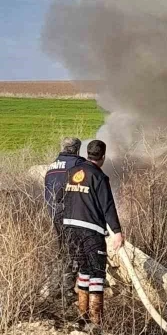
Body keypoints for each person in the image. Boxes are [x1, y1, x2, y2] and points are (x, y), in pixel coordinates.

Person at [62, 139, 124, 325]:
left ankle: (83, 318)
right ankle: (96, 322)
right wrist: (117, 231)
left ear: (87, 153)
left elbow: (62, 197)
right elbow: (108, 206)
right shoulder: (99, 176)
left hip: (71, 230)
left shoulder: (72, 172)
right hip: (91, 231)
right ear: (103, 157)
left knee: (84, 270)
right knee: (97, 273)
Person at [44, 136, 85, 297]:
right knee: (74, 248)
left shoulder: (52, 166)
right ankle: (67, 289)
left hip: (53, 213)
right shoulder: (77, 164)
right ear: (76, 149)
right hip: (69, 213)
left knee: (62, 248)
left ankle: (55, 287)